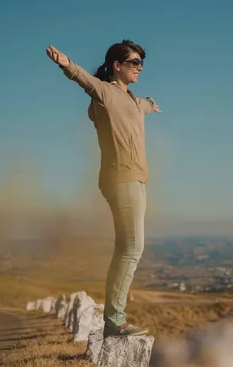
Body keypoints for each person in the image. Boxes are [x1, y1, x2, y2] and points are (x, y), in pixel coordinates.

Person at [46, 40, 160, 337]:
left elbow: (141, 108)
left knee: (128, 248)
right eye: (134, 62)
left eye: (140, 63)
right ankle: (114, 321)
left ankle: (114, 318)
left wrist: (150, 103)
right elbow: (84, 80)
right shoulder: (105, 92)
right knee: (131, 248)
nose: (140, 67)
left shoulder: (134, 100)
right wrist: (66, 63)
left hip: (135, 179)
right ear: (116, 66)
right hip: (121, 178)